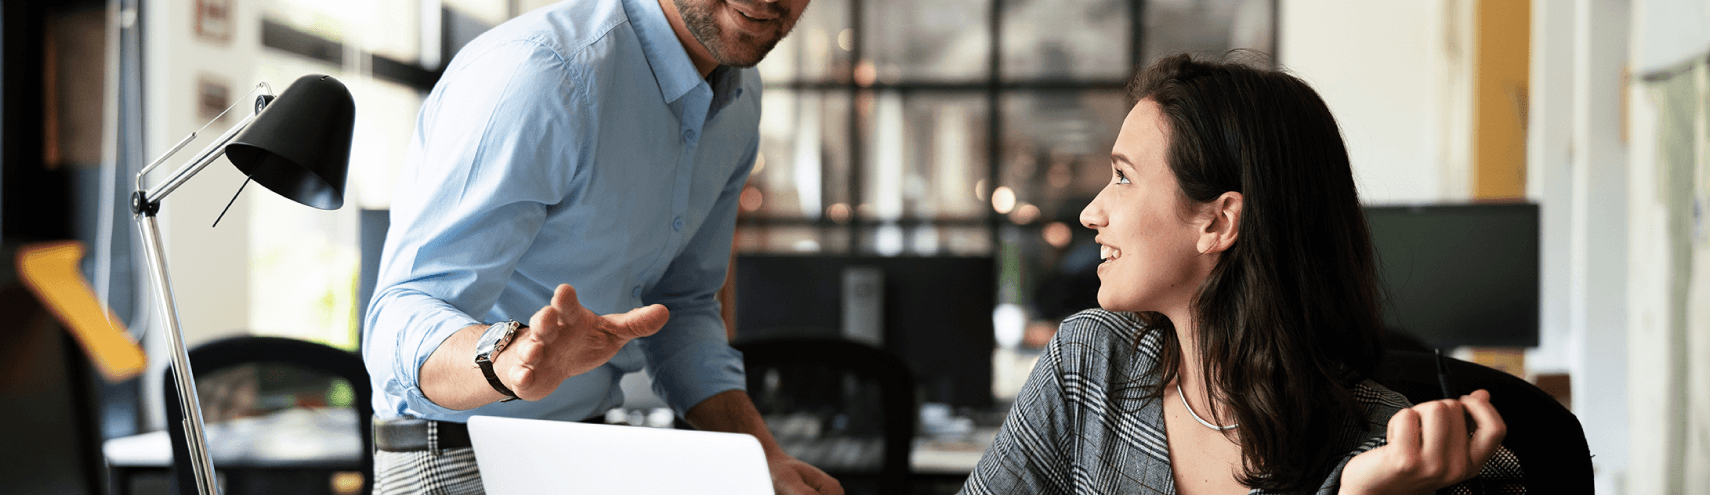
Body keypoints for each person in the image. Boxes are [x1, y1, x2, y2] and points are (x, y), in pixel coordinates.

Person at [960, 53, 1520, 494]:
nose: (1090, 213)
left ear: (1220, 221)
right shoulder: (1089, 366)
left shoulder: (1390, 445)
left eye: (1124, 177)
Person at [361, 0, 841, 493]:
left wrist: (763, 457)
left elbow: (683, 309)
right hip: (457, 456)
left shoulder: (739, 97)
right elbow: (399, 318)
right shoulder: (543, 71)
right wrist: (509, 359)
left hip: (588, 449)